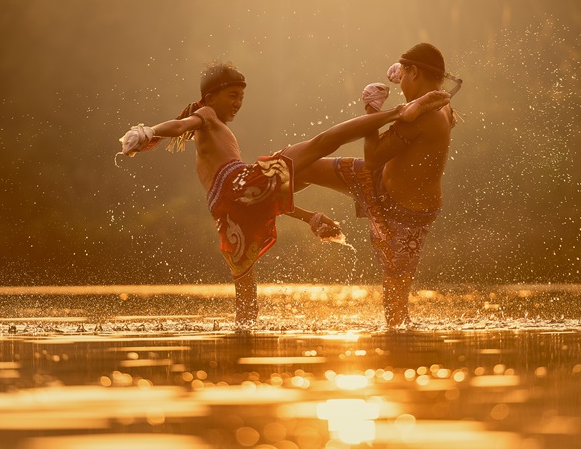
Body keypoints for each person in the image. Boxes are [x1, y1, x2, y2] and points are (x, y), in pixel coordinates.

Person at [117, 61, 451, 328]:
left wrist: (309, 218)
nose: (237, 103)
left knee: (246, 305)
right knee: (322, 143)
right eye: (232, 96)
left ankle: (242, 350)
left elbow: (259, 200)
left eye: (241, 97)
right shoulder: (205, 116)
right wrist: (148, 131)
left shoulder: (209, 136)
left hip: (229, 212)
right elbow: (178, 126)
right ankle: (395, 112)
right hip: (240, 184)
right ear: (209, 98)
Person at [295, 43, 461, 328]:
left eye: (404, 73)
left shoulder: (426, 115)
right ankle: (262, 194)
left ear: (415, 72)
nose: (399, 82)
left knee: (396, 312)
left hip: (405, 215)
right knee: (302, 166)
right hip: (379, 181)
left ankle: (401, 356)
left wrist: (372, 110)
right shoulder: (442, 104)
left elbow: (371, 158)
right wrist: (408, 85)